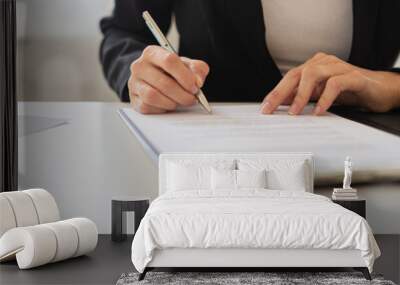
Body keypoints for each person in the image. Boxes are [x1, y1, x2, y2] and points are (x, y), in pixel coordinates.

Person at [100, 0, 400, 115]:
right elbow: (125, 33)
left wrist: (389, 86)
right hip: (214, 146)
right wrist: (141, 76)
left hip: (365, 147)